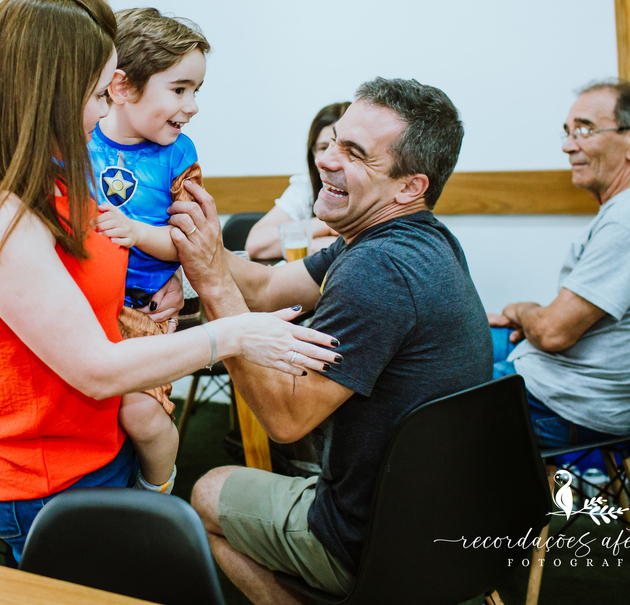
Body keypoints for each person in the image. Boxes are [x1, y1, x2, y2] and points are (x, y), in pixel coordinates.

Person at [0, 0, 338, 562]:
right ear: (48, 94)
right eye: (96, 93)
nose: (101, 111)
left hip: (99, 445)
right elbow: (94, 368)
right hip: (52, 478)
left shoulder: (64, 179)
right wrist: (236, 333)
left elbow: (107, 273)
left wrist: (180, 287)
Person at [169, 78, 491, 603]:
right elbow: (270, 285)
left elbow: (285, 418)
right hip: (446, 516)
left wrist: (209, 285)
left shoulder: (378, 269)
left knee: (204, 494)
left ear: (410, 186)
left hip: (374, 538)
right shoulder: (412, 237)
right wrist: (192, 244)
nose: (327, 160)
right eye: (333, 141)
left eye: (355, 153)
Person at [489, 80, 630, 448]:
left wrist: (522, 310)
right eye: (567, 132)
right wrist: (534, 321)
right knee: (454, 343)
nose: (568, 145)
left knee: (414, 380)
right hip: (567, 384)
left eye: (585, 130)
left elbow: (552, 333)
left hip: (563, 405)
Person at [89, 6, 212, 494]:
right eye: (180, 89)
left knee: (140, 412)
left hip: (145, 310)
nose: (193, 106)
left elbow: (188, 242)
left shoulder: (179, 154)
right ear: (120, 87)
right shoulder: (78, 143)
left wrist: (137, 233)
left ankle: (157, 493)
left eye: (196, 91)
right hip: (88, 307)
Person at [244, 102, 349, 260]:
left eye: (343, 148)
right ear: (312, 153)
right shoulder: (306, 186)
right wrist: (324, 226)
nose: (329, 158)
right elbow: (256, 244)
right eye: (323, 148)